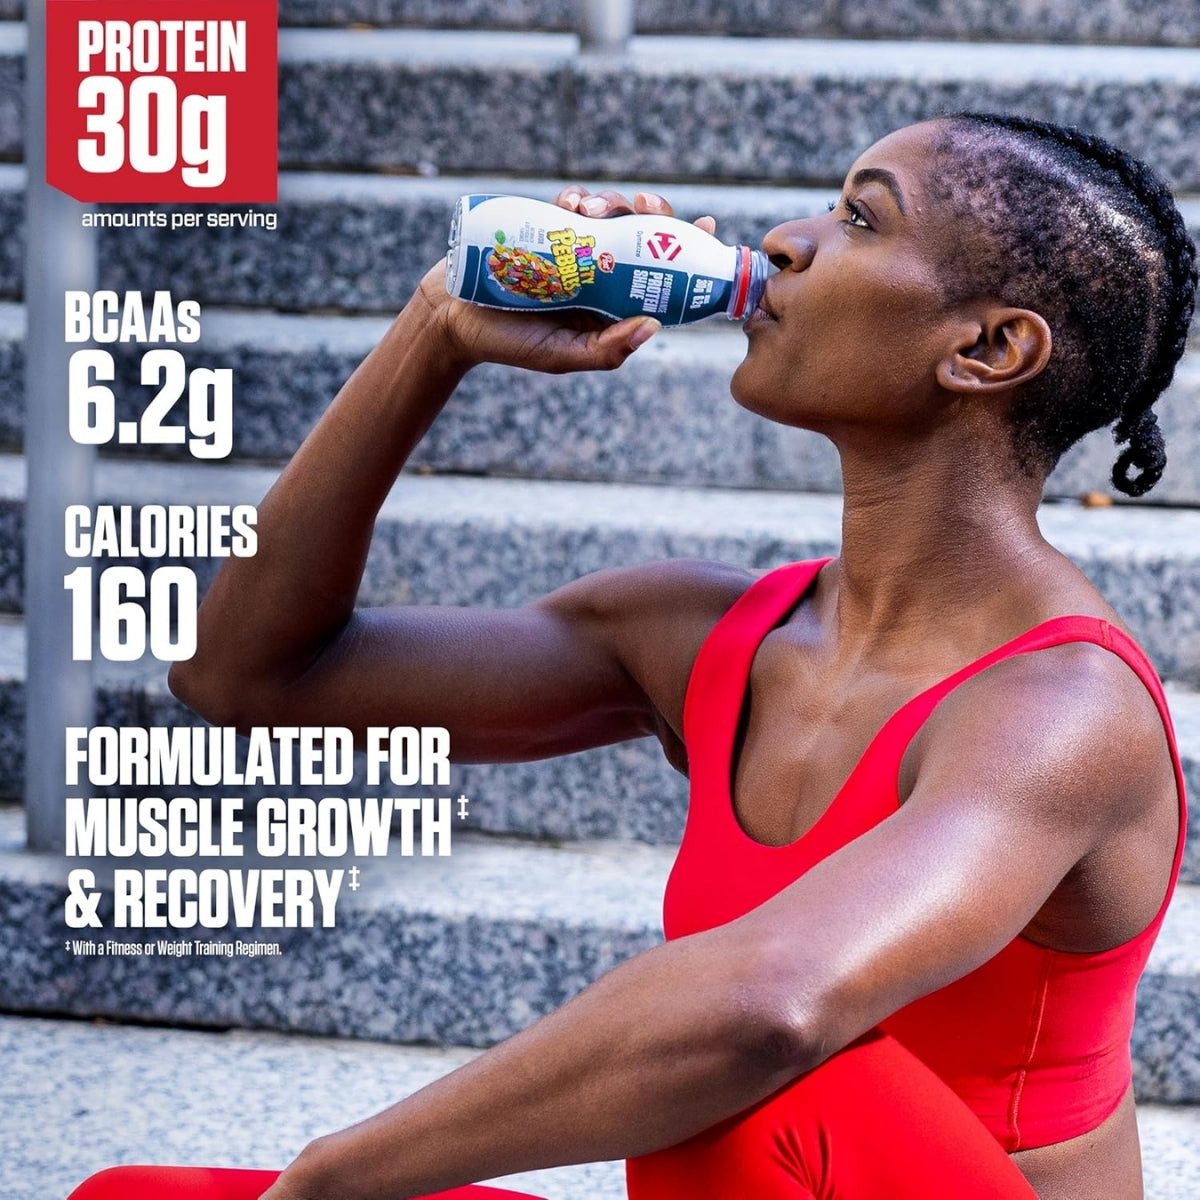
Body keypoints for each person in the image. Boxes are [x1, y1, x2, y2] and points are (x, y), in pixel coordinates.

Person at [72, 113, 1192, 1200]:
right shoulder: (710, 637)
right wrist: (435, 331)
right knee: (139, 1196)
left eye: (859, 219)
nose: (785, 242)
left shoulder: (1061, 710)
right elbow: (249, 676)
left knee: (743, 1075)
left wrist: (329, 1180)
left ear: (990, 349)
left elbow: (768, 1009)